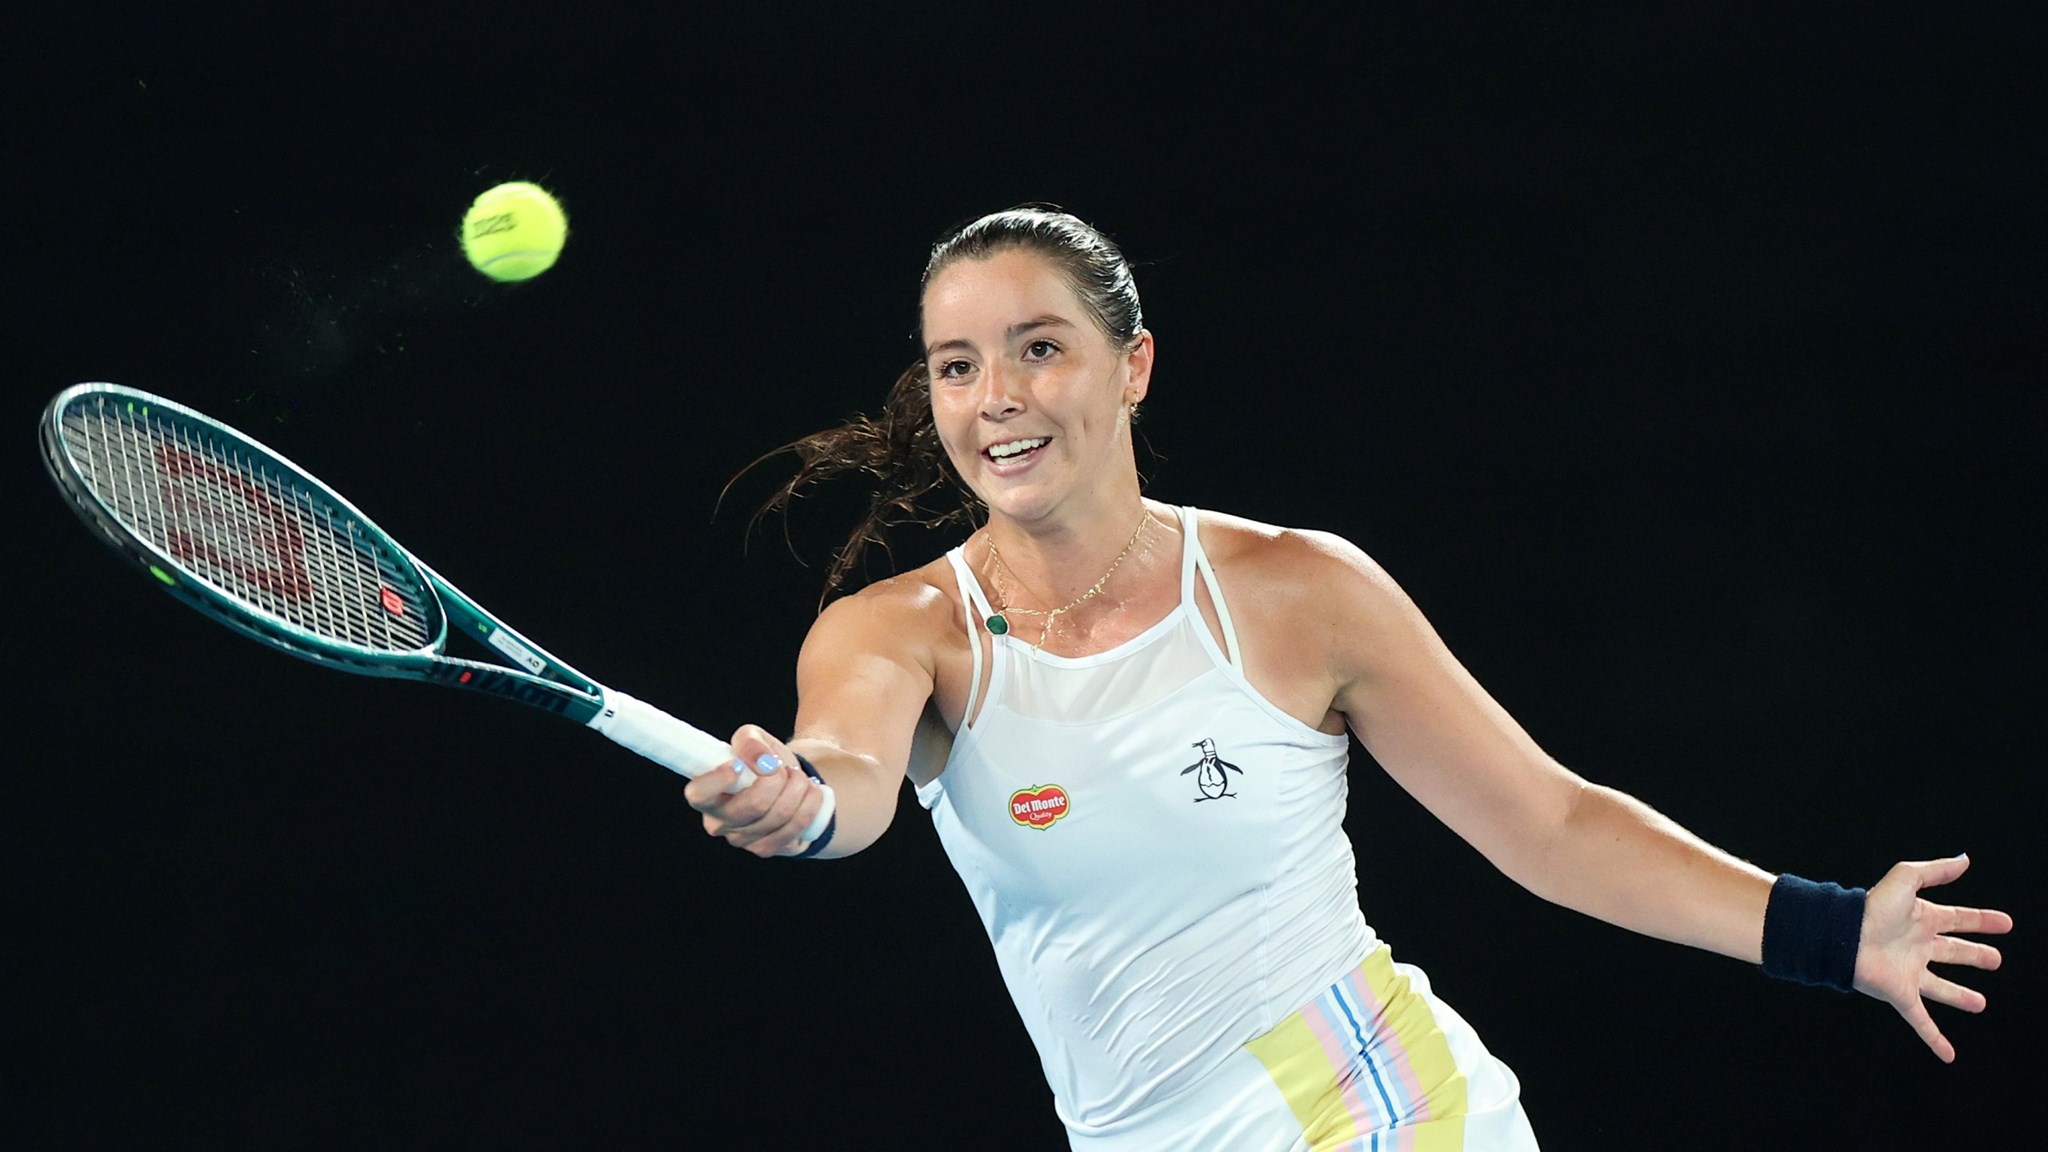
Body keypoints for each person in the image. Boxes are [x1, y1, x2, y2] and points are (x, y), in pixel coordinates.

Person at [683, 206, 2011, 1150]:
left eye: (1042, 347)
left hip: (1376, 1108)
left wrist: (1832, 930)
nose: (996, 397)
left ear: (1131, 365)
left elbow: (1546, 824)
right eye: (958, 366)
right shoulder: (897, 629)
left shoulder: (1296, 591)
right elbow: (847, 775)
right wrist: (796, 802)